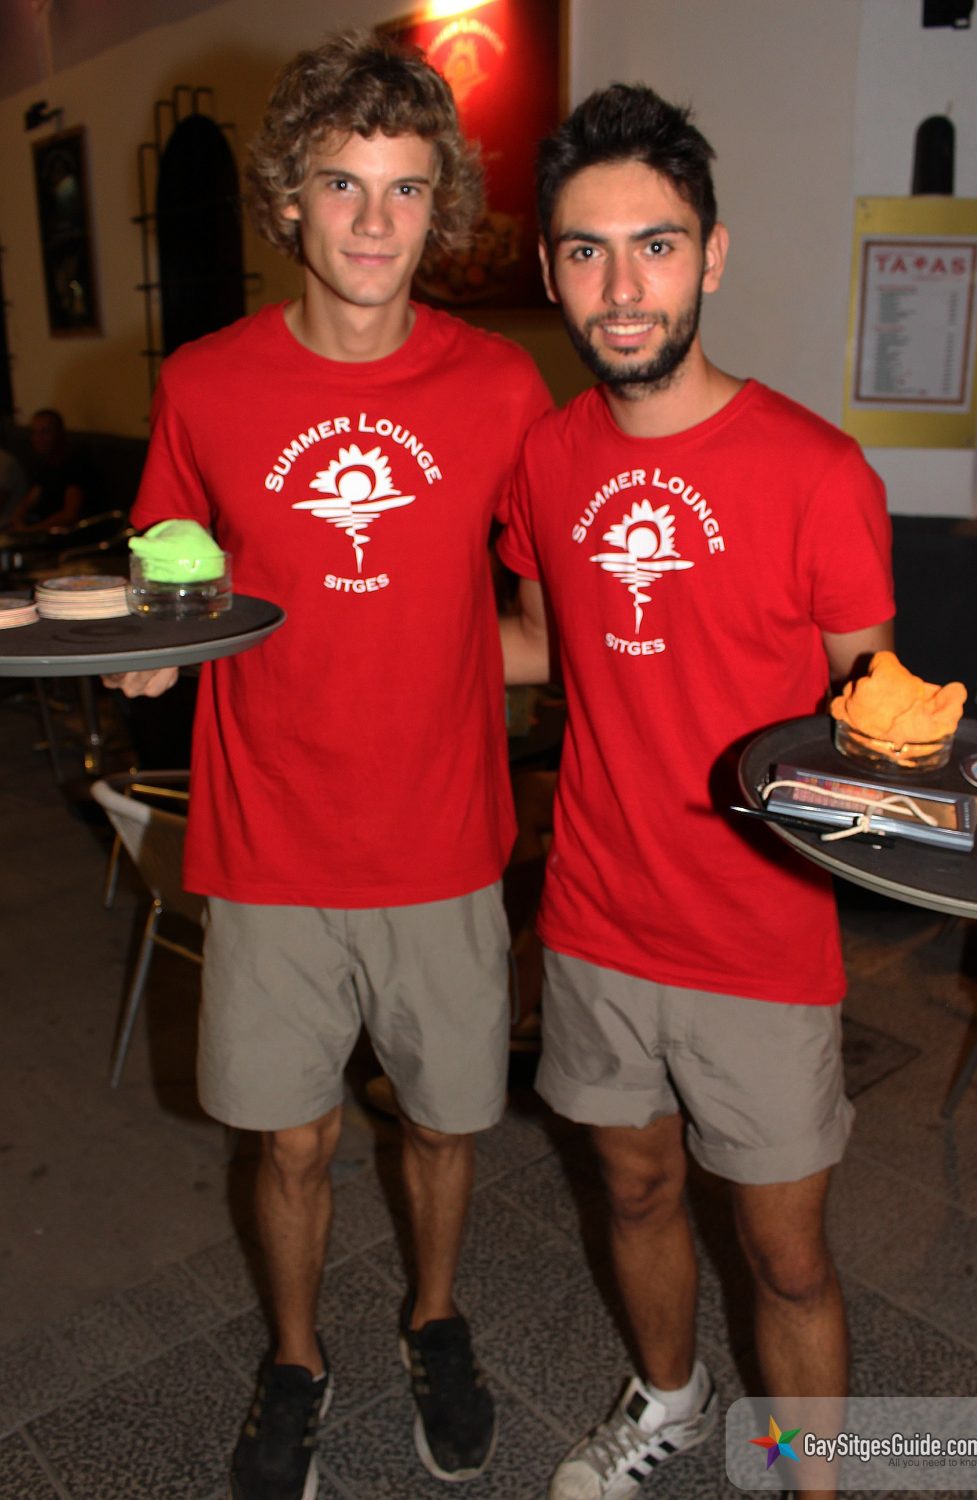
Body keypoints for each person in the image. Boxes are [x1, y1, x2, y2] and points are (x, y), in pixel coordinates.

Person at [103, 29, 550, 1500]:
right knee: (287, 1145)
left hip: (442, 841)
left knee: (444, 1125)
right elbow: (171, 584)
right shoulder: (205, 384)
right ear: (286, 198)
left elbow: (545, 628)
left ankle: (434, 1319)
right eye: (342, 184)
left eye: (406, 188)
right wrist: (149, 649)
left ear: (442, 207)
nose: (373, 221)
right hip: (269, 844)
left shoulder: (500, 389)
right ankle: (296, 1359)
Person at [498, 84, 895, 1500]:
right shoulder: (545, 459)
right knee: (635, 1188)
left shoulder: (817, 473)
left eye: (655, 246)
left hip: (758, 938)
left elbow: (876, 715)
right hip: (596, 919)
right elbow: (535, 644)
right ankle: (669, 1401)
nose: (623, 288)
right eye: (588, 251)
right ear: (551, 270)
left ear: (712, 256)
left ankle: (808, 1478)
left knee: (784, 1258)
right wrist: (336, 631)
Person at [8, 408, 89, 532]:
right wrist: (17, 519)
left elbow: (69, 515)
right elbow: (30, 499)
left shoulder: (76, 464)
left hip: (67, 535)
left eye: (45, 432)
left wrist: (31, 531)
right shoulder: (46, 463)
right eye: (35, 432)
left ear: (60, 434)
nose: (38, 438)